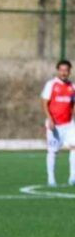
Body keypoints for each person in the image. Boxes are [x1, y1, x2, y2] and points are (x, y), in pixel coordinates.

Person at [41, 59, 75, 187]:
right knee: (53, 151)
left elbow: (73, 104)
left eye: (66, 70)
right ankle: (51, 179)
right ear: (58, 71)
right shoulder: (51, 84)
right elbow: (44, 102)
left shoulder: (72, 86)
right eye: (61, 70)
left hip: (69, 124)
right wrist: (49, 119)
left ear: (69, 71)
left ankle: (72, 177)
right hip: (54, 124)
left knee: (74, 148)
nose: (64, 73)